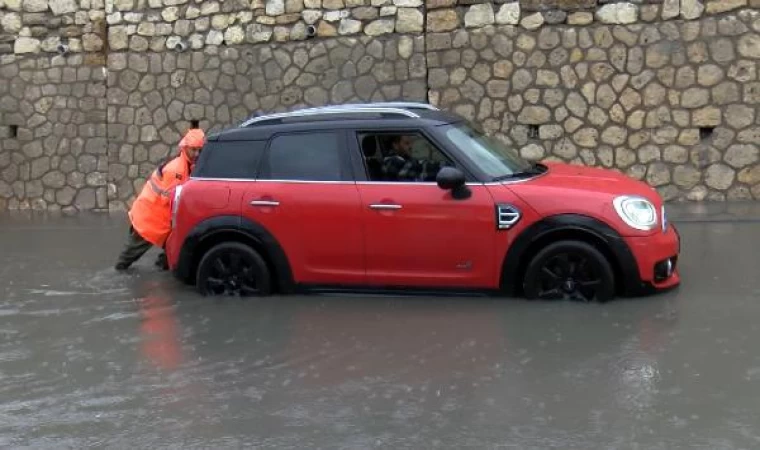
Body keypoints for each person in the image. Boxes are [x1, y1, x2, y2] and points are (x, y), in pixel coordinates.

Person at [115, 128, 206, 271]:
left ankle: (161, 270)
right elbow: (173, 201)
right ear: (185, 148)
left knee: (172, 252)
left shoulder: (186, 165)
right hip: (149, 218)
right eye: (193, 150)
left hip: (159, 219)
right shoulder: (176, 170)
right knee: (124, 262)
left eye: (199, 150)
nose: (197, 154)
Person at [381, 135, 446, 182]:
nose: (411, 146)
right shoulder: (393, 161)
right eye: (407, 143)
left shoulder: (405, 158)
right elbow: (419, 170)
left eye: (411, 143)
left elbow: (420, 164)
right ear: (395, 145)